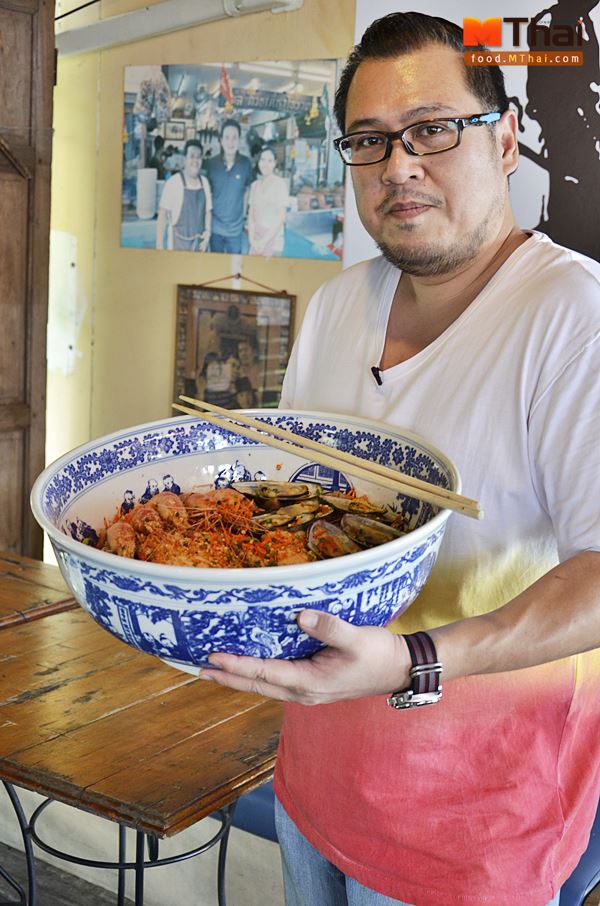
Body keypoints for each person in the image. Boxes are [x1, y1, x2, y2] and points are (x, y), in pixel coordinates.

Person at [200, 11, 600, 906]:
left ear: (505, 141)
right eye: (369, 140)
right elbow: (290, 501)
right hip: (315, 785)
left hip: (478, 831)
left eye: (432, 129)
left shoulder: (573, 316)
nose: (398, 166)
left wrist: (414, 660)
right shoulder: (337, 306)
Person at [206, 118, 252, 253]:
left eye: (234, 138)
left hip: (235, 230)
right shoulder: (212, 164)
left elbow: (247, 190)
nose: (230, 142)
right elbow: (207, 194)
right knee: (216, 264)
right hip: (215, 228)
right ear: (221, 140)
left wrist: (243, 216)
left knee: (235, 264)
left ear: (239, 140)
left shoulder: (246, 164)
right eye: (227, 138)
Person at [156, 140, 212, 251]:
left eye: (199, 157)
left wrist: (208, 231)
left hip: (200, 247)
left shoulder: (205, 182)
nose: (195, 161)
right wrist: (159, 247)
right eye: (192, 156)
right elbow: (162, 216)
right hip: (178, 246)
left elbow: (208, 211)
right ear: (185, 159)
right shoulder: (173, 183)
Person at [247, 145, 289, 256]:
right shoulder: (254, 185)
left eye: (270, 161)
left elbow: (281, 218)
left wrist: (263, 242)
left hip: (273, 242)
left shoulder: (280, 185)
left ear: (275, 163)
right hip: (256, 240)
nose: (265, 164)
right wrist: (251, 240)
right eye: (262, 160)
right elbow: (251, 216)